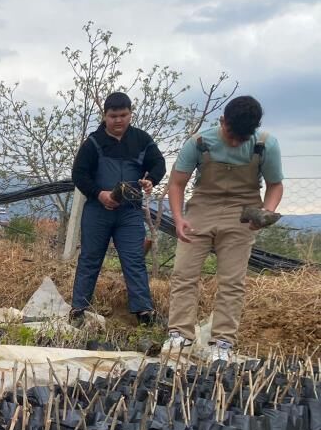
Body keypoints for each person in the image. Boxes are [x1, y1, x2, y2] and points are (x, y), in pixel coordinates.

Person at [163, 95, 284, 362]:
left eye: (242, 138)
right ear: (222, 121)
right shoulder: (199, 142)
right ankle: (179, 335)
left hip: (242, 214)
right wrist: (178, 217)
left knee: (232, 280)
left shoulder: (266, 145)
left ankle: (222, 342)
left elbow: (275, 185)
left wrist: (266, 211)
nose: (234, 142)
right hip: (201, 210)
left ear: (252, 131)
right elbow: (177, 183)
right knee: (184, 273)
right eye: (231, 134)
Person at [68, 92, 165, 326]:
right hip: (98, 210)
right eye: (113, 116)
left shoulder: (142, 140)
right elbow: (78, 174)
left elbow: (158, 163)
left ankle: (144, 313)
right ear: (105, 116)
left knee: (134, 260)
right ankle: (78, 309)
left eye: (124, 115)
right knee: (90, 259)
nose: (119, 120)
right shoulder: (93, 142)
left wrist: (151, 179)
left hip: (130, 211)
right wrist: (99, 194)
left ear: (130, 114)